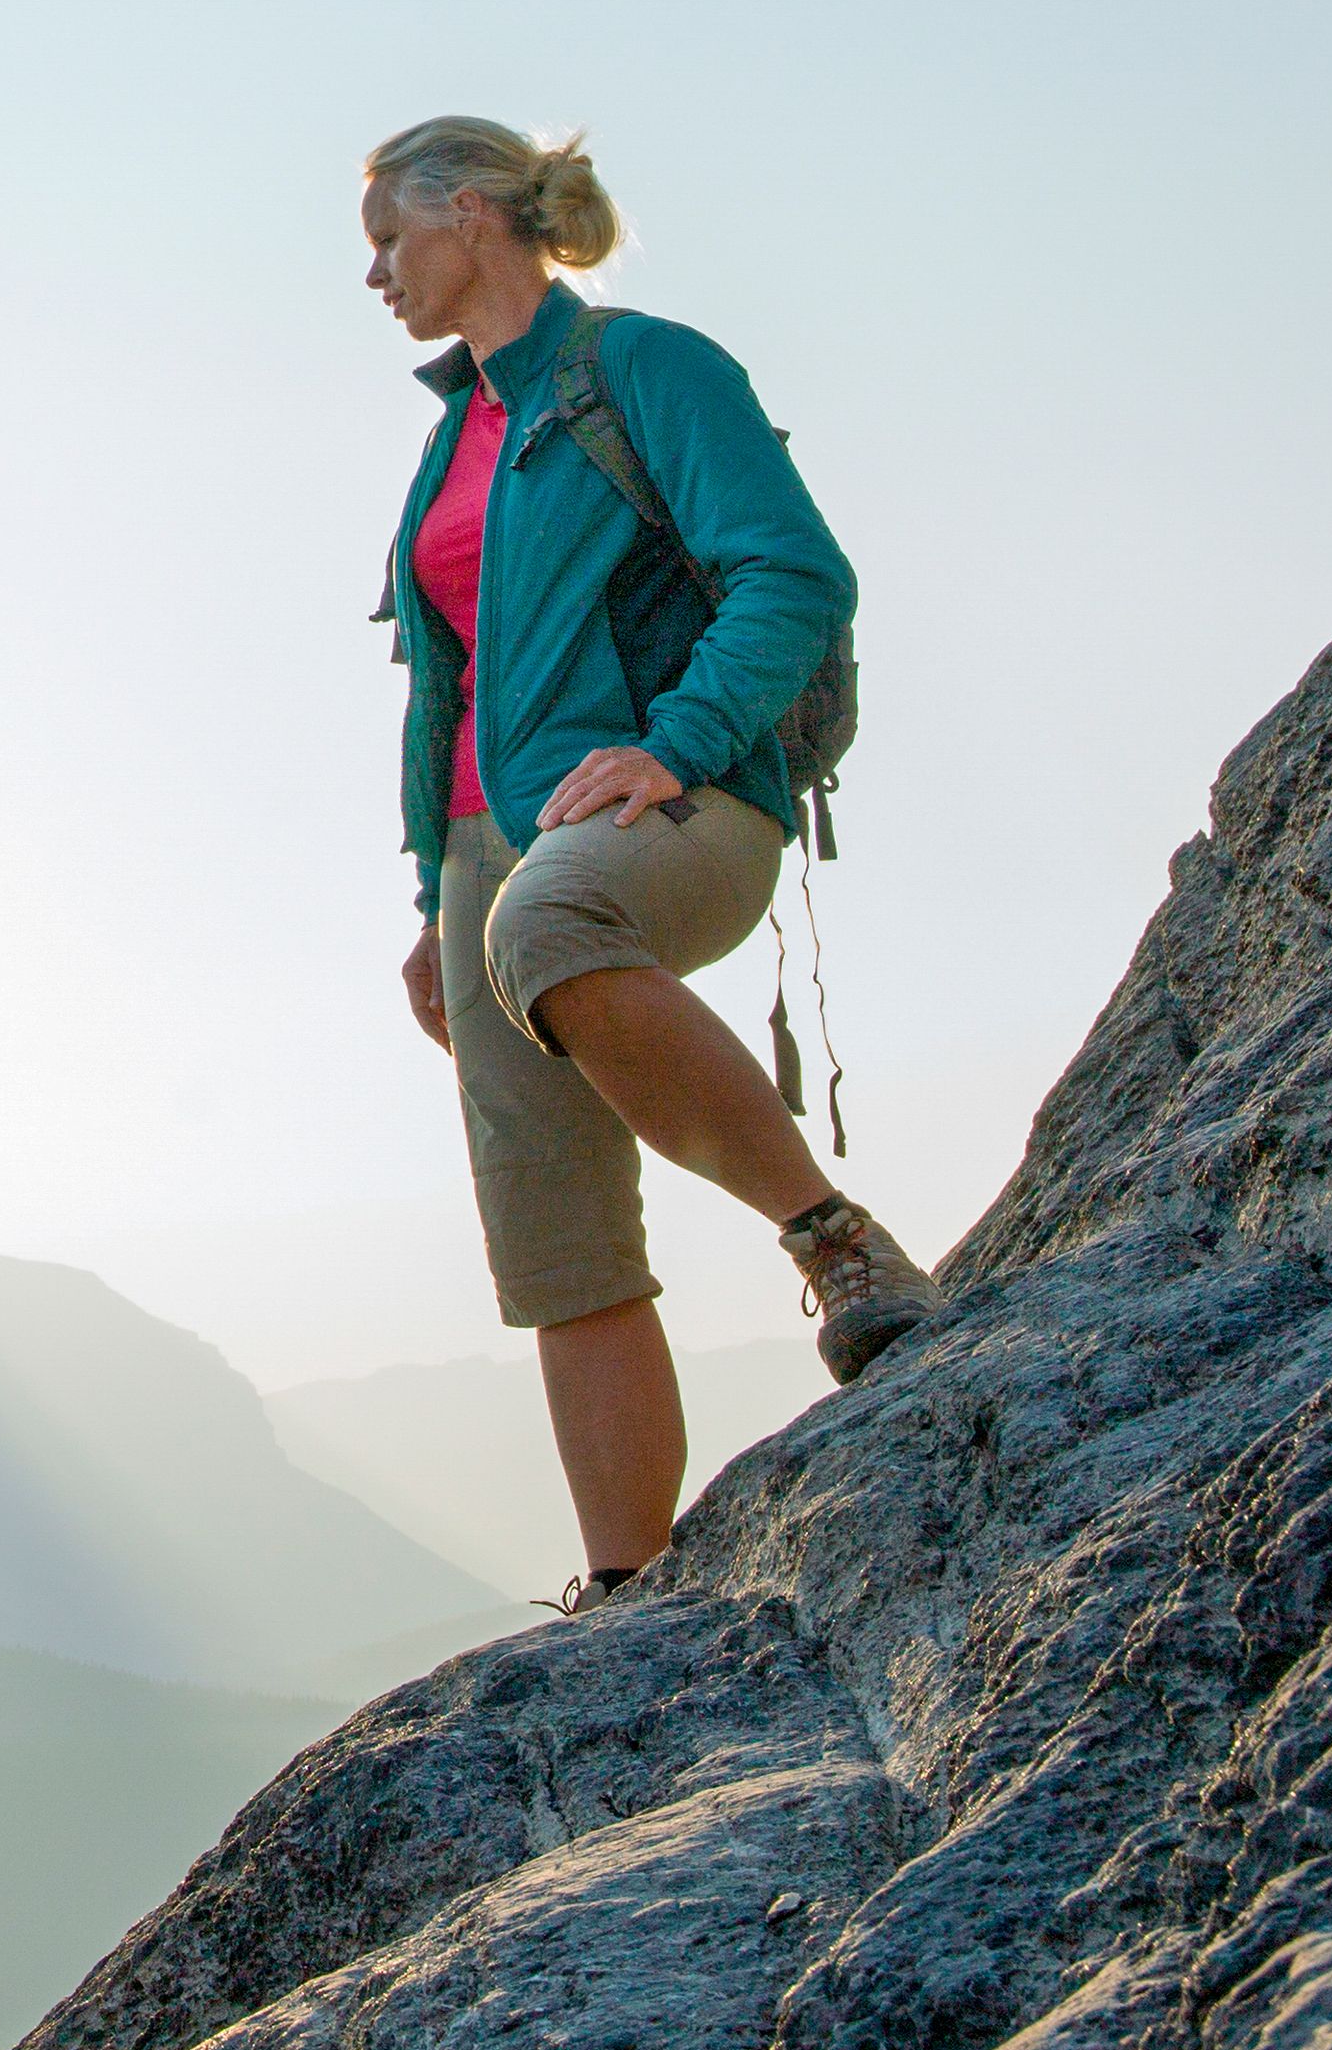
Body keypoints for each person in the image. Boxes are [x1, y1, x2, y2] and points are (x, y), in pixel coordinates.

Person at [363, 115, 941, 1610]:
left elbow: (792, 573)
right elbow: (446, 691)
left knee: (555, 926)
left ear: (473, 213)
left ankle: (835, 1241)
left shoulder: (645, 369)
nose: (375, 275)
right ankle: (624, 1593)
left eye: (389, 239)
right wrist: (433, 899)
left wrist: (677, 742)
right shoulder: (451, 440)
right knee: (553, 1239)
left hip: (672, 801)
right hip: (485, 847)